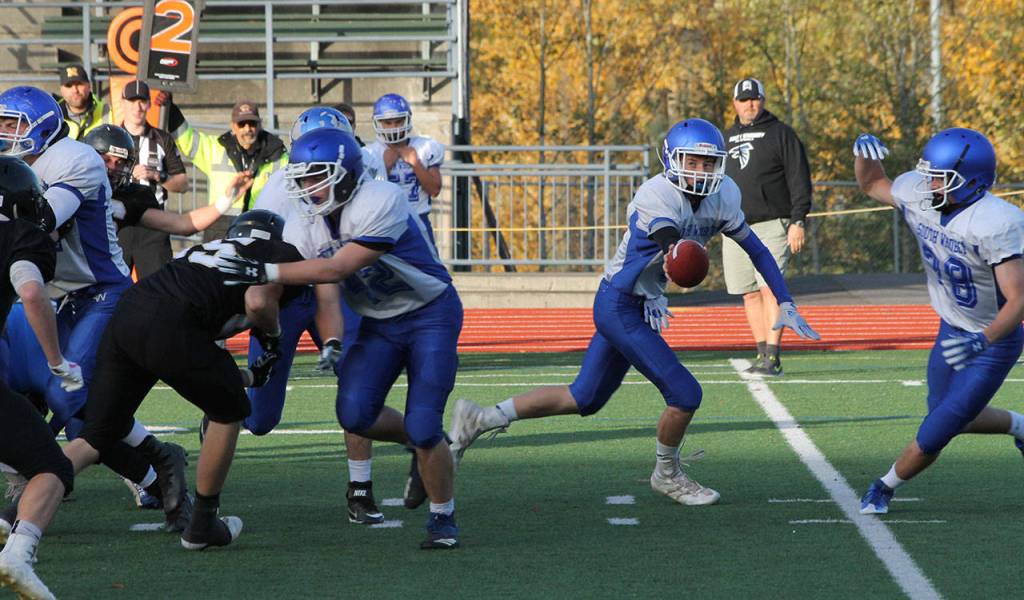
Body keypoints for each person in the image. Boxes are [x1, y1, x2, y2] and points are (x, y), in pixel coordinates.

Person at [449, 119, 819, 507]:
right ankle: (667, 473)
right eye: (693, 161)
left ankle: (482, 418)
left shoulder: (725, 193)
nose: (702, 171)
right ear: (673, 159)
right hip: (619, 303)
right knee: (685, 393)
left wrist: (785, 298)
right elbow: (672, 248)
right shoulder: (656, 193)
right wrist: (678, 264)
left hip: (640, 302)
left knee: (585, 397)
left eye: (710, 164)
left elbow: (757, 249)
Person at [215, 128, 464, 549]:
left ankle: (443, 517)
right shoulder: (308, 222)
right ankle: (430, 447)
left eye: (317, 176)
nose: (308, 187)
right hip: (379, 322)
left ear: (346, 174)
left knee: (424, 424)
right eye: (303, 177)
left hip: (429, 315)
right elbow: (324, 293)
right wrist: (328, 339)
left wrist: (265, 272)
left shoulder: (380, 199)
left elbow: (336, 268)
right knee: (353, 413)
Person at [0, 86, 189, 530]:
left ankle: (157, 458)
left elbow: (39, 221)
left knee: (67, 395)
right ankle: (153, 474)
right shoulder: (13, 165)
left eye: (12, 124)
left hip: (99, 290)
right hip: (48, 292)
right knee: (49, 401)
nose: (4, 132)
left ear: (42, 125)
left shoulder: (75, 159)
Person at [62, 209, 305, 551]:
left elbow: (188, 363)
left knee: (95, 437)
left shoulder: (203, 252)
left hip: (131, 312)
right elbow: (257, 301)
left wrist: (248, 374)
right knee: (230, 409)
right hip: (170, 323)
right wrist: (274, 332)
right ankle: (202, 526)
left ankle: (17, 515)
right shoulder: (276, 254)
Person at [853, 129, 1024, 514]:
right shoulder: (921, 195)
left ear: (971, 182)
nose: (929, 183)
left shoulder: (996, 222)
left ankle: (883, 487)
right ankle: (1020, 426)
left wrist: (984, 339)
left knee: (935, 432)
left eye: (940, 178)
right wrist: (862, 155)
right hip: (951, 327)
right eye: (929, 174)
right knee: (948, 416)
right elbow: (873, 183)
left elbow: (1019, 301)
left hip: (993, 342)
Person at [246, 106, 387, 524]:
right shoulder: (277, 185)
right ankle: (221, 411)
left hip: (339, 285)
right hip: (287, 290)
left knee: (357, 390)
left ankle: (360, 488)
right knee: (259, 418)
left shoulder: (369, 175)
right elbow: (254, 247)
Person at [0, 157, 80, 600]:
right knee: (51, 468)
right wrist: (57, 362)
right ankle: (17, 553)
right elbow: (31, 292)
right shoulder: (20, 234)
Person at [722, 77, 813, 376]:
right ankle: (761, 352)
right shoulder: (726, 137)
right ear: (735, 102)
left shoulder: (781, 134)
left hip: (773, 224)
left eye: (755, 98)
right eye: (744, 99)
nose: (750, 104)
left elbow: (799, 179)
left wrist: (798, 220)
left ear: (763, 100)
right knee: (748, 293)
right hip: (735, 228)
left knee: (770, 290)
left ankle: (773, 356)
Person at [163, 95, 287, 241]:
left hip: (261, 227)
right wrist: (168, 106)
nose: (248, 129)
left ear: (259, 125)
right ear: (233, 126)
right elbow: (187, 139)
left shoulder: (278, 154)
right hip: (220, 227)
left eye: (252, 123)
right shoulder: (216, 148)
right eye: (242, 124)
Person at [116, 80, 190, 279]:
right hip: (118, 224)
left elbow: (183, 183)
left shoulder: (162, 138)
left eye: (142, 101)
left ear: (149, 104)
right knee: (112, 288)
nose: (137, 107)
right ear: (122, 103)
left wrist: (157, 175)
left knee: (158, 287)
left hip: (154, 225)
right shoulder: (112, 137)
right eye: (132, 101)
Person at [364, 93, 444, 244]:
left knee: (426, 267)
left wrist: (416, 164)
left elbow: (434, 190)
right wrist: (385, 167)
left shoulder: (424, 147)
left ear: (407, 119)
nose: (394, 127)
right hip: (385, 222)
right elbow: (368, 197)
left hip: (418, 219)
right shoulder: (370, 153)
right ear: (378, 122)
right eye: (388, 122)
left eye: (398, 122)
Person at [55, 63, 110, 141]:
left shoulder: (109, 112)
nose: (75, 90)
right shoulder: (53, 116)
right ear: (61, 89)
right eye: (69, 85)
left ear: (89, 86)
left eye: (79, 84)